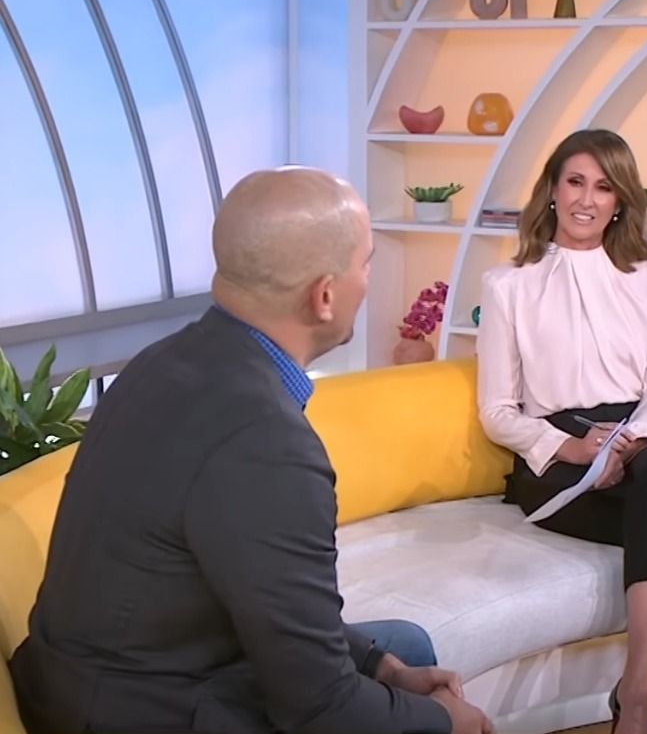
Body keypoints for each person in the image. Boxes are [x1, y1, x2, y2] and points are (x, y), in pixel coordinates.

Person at [10, 167, 492, 734]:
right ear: (325, 295)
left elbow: (252, 585)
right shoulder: (266, 443)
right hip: (141, 710)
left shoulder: (161, 363)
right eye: (366, 264)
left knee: (401, 649)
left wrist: (378, 666)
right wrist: (447, 721)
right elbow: (322, 710)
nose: (368, 281)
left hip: (82, 677)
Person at [476, 129, 647, 734]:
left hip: (644, 441)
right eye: (575, 182)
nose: (586, 200)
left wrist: (629, 441)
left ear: (620, 201)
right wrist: (573, 447)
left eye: (603, 187)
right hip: (558, 455)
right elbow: (496, 410)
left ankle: (637, 693)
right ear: (552, 189)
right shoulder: (507, 284)